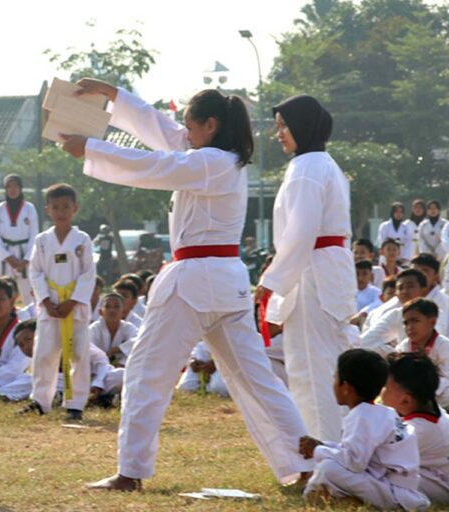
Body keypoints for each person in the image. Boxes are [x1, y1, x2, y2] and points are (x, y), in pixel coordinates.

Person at [62, 78, 312, 490]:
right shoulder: (220, 159)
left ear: (210, 125)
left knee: (146, 373)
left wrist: (91, 148)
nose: (185, 134)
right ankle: (307, 463)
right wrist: (113, 96)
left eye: (192, 127)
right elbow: (162, 131)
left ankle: (131, 472)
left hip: (194, 282)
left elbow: (154, 165)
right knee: (258, 381)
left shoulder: (209, 161)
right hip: (226, 283)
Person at [256, 94, 357, 442]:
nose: (279, 134)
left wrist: (272, 280)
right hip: (327, 268)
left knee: (312, 369)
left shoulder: (307, 167)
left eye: (284, 126)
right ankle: (340, 444)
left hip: (312, 271)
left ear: (303, 126)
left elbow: (300, 231)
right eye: (278, 127)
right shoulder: (324, 164)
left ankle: (323, 451)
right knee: (331, 362)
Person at [300, 349, 429, 510]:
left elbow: (354, 462)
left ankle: (311, 495)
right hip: (396, 488)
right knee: (330, 464)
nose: (333, 383)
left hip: (393, 493)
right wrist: (324, 446)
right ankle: (331, 495)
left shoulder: (362, 415)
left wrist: (317, 450)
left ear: (346, 387)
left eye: (335, 378)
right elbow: (354, 452)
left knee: (328, 468)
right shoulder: (383, 412)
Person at [21, 184, 95, 421]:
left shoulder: (82, 239)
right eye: (56, 207)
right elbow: (35, 272)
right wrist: (45, 300)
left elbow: (88, 273)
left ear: (75, 208)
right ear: (48, 210)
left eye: (65, 207)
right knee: (44, 353)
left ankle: (76, 403)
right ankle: (40, 401)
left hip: (75, 307)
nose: (61, 212)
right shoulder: (42, 240)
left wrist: (72, 301)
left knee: (79, 354)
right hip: (50, 307)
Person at [382, 353, 449, 506]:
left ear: (406, 400)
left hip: (441, 485)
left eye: (385, 388)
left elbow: (376, 457)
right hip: (433, 474)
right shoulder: (433, 410)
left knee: (379, 476)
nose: (381, 393)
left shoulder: (418, 430)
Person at [0, 174, 39, 305]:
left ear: (20, 188)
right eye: (9, 186)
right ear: (5, 189)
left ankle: (32, 316)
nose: (12, 190)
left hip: (24, 253)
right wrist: (6, 256)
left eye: (15, 186)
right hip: (6, 254)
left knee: (28, 292)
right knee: (4, 290)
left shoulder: (29, 208)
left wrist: (26, 259)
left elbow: (34, 234)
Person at [360, 269, 431, 356]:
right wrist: (394, 354)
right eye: (400, 288)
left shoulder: (435, 314)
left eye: (410, 286)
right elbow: (365, 342)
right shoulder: (396, 314)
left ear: (424, 290)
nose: (404, 291)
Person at [394, 298, 449, 407]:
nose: (409, 327)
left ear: (432, 322)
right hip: (410, 397)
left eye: (415, 321)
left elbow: (446, 379)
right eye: (406, 323)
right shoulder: (403, 347)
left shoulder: (444, 346)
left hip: (439, 398)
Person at [88, 293, 138, 367]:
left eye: (116, 306)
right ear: (100, 312)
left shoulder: (128, 328)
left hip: (123, 367)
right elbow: (89, 350)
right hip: (97, 368)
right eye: (107, 306)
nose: (112, 310)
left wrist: (118, 349)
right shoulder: (93, 329)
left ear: (123, 312)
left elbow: (138, 341)